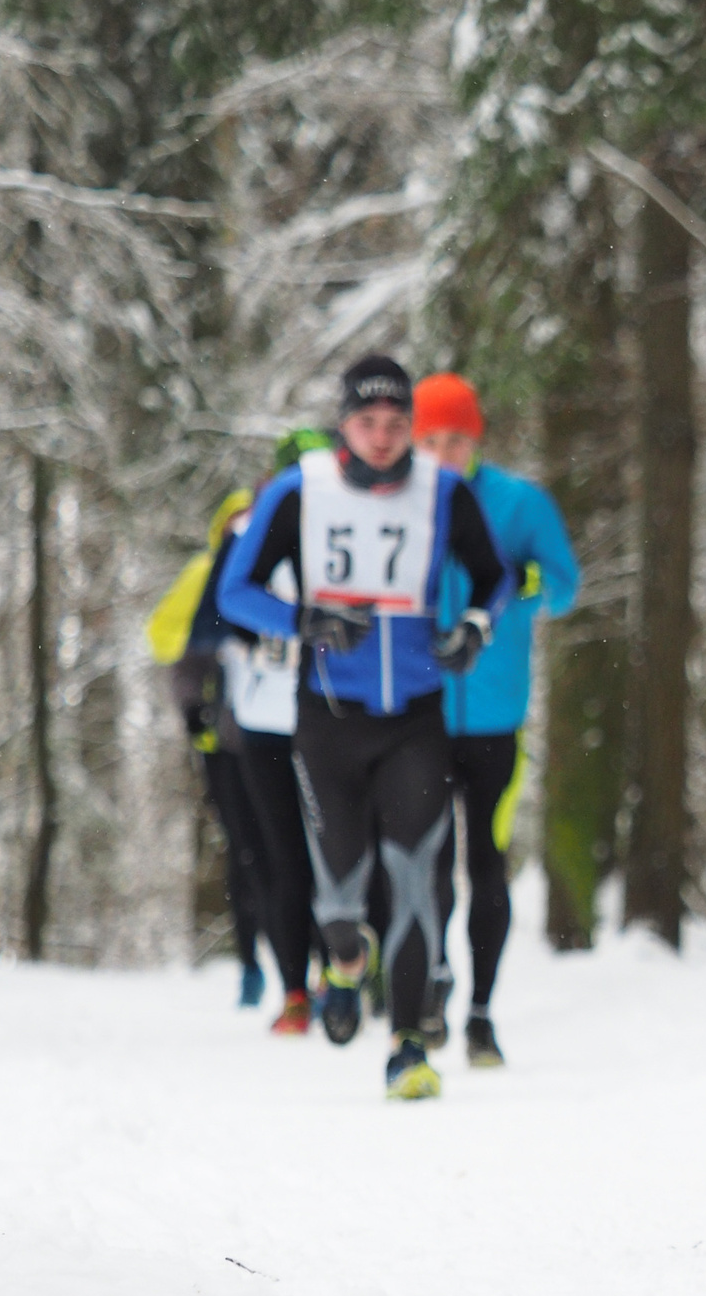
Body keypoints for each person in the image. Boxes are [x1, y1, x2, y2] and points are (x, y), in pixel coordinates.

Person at [217, 355, 510, 1100]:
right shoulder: (299, 491)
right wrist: (303, 620)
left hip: (415, 716)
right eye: (367, 422)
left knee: (416, 876)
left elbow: (494, 574)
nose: (382, 438)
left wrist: (476, 625)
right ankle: (344, 959)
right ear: (343, 423)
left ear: (411, 425)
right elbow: (233, 590)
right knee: (340, 891)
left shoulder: (442, 491)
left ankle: (408, 1042)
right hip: (327, 719)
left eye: (396, 424)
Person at [412, 371, 579, 1067]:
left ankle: (480, 1011)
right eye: (430, 439)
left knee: (486, 861)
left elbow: (565, 583)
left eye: (456, 438)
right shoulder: (400, 504)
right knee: (427, 865)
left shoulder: (517, 502)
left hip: (495, 711)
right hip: (418, 710)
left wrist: (517, 583)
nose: (444, 452)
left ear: (474, 437)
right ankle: (432, 985)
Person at [218, 428, 335, 1036]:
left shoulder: (347, 531)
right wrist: (282, 629)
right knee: (287, 857)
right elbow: (221, 611)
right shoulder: (249, 531)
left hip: (321, 716)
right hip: (268, 720)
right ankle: (298, 987)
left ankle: (329, 978)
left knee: (325, 854)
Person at [146, 489, 274, 1008]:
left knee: (285, 851)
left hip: (277, 735)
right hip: (224, 740)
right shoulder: (203, 573)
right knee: (244, 851)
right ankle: (250, 965)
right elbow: (169, 644)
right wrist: (195, 712)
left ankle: (304, 960)